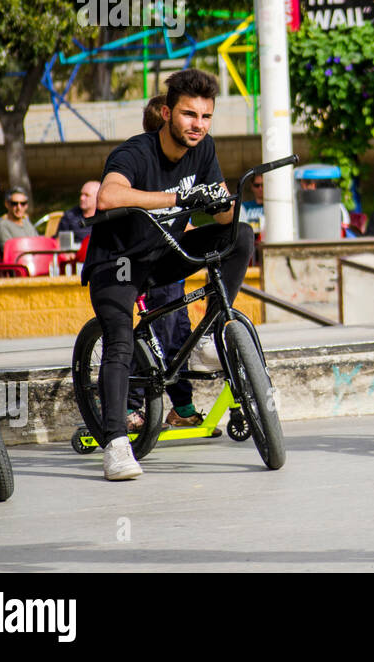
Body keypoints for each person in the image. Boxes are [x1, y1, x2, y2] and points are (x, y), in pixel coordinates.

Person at [83, 69, 250, 480]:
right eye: (189, 114)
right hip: (117, 265)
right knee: (121, 339)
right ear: (166, 112)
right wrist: (179, 197)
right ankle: (117, 444)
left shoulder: (204, 149)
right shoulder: (135, 153)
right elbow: (108, 195)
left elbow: (223, 212)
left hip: (164, 255)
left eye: (206, 116)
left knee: (240, 234)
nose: (198, 125)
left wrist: (223, 201)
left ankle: (212, 334)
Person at [131, 95, 222, 435]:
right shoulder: (144, 165)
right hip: (138, 260)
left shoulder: (190, 163)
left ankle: (182, 408)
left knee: (177, 330)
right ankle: (129, 406)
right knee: (144, 337)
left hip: (170, 259)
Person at [0, 187, 37, 257]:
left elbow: (38, 246)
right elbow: (9, 253)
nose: (19, 207)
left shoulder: (27, 224)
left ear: (26, 206)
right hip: (16, 265)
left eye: (23, 203)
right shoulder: (3, 226)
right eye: (14, 204)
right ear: (7, 204)